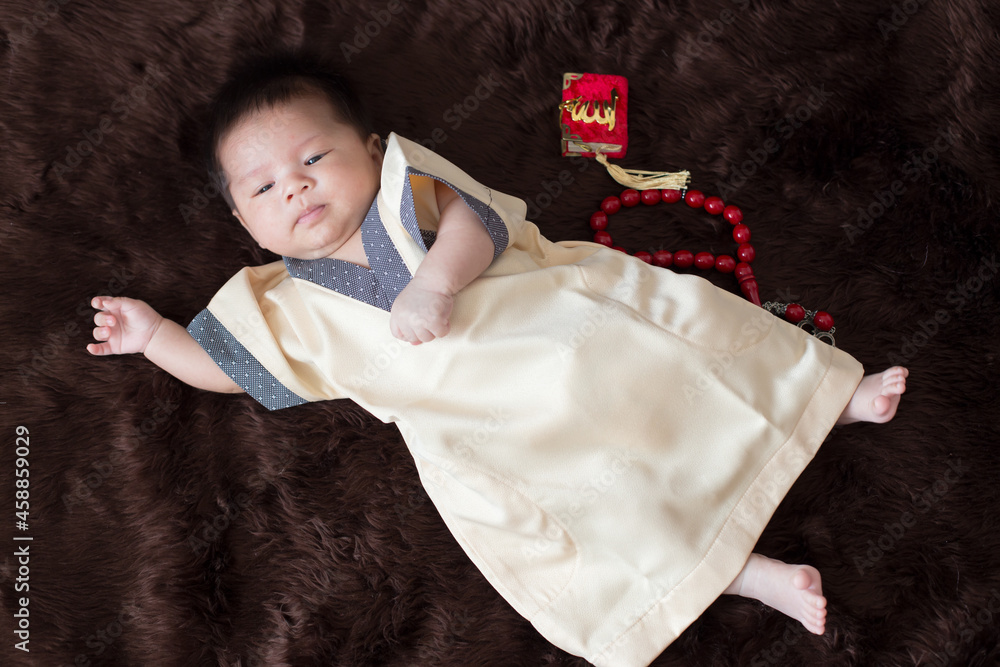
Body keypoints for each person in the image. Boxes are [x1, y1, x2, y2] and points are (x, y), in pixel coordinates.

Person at [85, 53, 907, 667]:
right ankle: (750, 574)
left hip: (562, 328)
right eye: (262, 189)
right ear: (241, 220)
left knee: (683, 338)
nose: (294, 188)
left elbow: (478, 226)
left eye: (312, 158)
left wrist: (436, 283)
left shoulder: (408, 190)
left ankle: (829, 393)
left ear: (371, 149)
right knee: (594, 509)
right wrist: (155, 335)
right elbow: (224, 368)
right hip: (491, 431)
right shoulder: (279, 306)